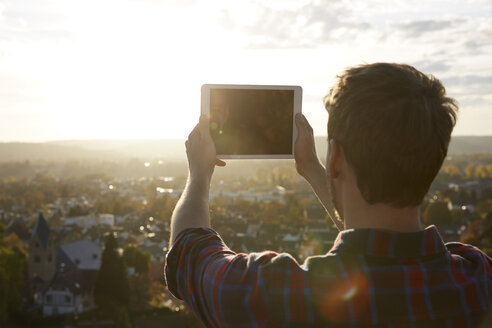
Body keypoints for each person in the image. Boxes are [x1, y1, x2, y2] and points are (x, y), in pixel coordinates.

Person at [165, 63, 492, 327]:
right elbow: (382, 248)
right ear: (435, 161)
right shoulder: (479, 279)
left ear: (335, 157)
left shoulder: (275, 294)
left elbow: (189, 252)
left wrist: (199, 173)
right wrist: (311, 167)